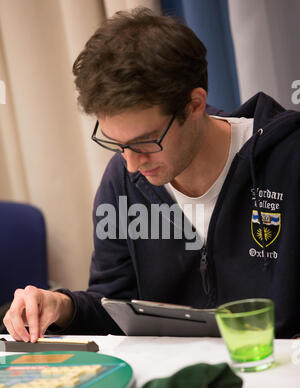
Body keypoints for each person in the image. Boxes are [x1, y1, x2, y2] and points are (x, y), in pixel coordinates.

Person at [3, 8, 300, 342]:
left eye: (145, 141)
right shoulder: (122, 182)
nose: (132, 164)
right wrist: (62, 305)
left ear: (194, 105)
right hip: (182, 382)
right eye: (117, 144)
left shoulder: (288, 159)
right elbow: (115, 307)